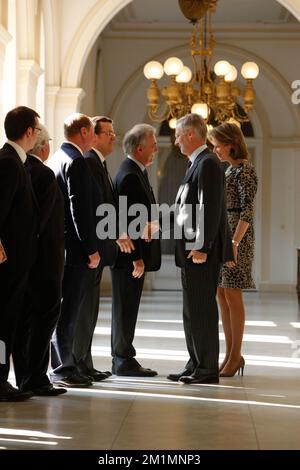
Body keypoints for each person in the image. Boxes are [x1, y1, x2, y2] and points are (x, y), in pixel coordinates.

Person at [167, 113, 232, 385]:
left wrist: (202, 245)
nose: (176, 140)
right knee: (191, 310)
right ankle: (195, 362)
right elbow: (186, 208)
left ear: (191, 135)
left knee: (202, 310)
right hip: (191, 251)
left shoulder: (207, 163)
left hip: (200, 252)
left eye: (179, 135)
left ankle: (206, 368)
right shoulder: (196, 163)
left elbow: (210, 208)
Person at [75, 116, 134, 380]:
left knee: (91, 309)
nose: (113, 137)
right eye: (108, 133)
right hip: (91, 248)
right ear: (94, 136)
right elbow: (94, 208)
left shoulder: (100, 162)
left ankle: (84, 363)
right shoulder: (89, 161)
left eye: (113, 132)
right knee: (84, 308)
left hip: (101, 246)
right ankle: (77, 363)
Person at [13, 125, 66, 396]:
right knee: (45, 318)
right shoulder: (44, 174)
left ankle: (26, 376)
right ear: (42, 146)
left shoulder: (23, 170)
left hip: (29, 261)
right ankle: (36, 378)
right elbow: (42, 222)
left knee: (25, 322)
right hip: (45, 261)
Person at [47, 113, 100, 388]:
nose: (94, 138)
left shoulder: (57, 158)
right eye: (92, 132)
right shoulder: (77, 161)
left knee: (63, 308)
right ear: (82, 132)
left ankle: (62, 364)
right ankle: (64, 368)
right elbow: (79, 209)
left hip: (61, 247)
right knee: (70, 310)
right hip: (76, 250)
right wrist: (91, 249)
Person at [111, 124, 161, 376]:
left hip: (132, 257)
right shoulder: (130, 174)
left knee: (127, 308)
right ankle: (122, 360)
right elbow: (129, 222)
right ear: (140, 148)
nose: (156, 149)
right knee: (125, 308)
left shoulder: (135, 171)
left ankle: (122, 357)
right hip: (130, 259)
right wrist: (137, 259)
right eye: (153, 144)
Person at [208, 122, 258, 377]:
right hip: (224, 237)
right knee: (221, 295)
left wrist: (235, 243)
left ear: (231, 144)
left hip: (238, 239)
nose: (215, 149)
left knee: (232, 295)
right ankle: (230, 355)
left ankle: (235, 355)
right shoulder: (229, 170)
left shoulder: (245, 171)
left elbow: (247, 211)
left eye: (218, 145)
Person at [0, 106, 40, 401]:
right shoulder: (9, 163)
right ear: (29, 132)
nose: (38, 136)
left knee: (9, 322)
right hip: (8, 262)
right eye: (37, 130)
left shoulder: (16, 160)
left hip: (17, 259)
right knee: (3, 323)